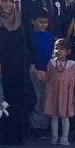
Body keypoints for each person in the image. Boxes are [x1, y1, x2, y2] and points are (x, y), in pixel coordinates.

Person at [0, 0, 35, 145]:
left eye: (10, 1)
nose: (7, 4)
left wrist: (30, 64)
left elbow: (26, 43)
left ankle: (17, 135)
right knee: (0, 99)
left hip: (19, 67)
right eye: (4, 1)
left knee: (17, 99)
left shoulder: (19, 19)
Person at [38, 38, 75, 146]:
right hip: (53, 93)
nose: (58, 51)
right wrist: (40, 75)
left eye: (61, 49)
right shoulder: (51, 63)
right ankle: (54, 137)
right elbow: (48, 76)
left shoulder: (72, 65)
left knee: (64, 117)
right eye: (56, 48)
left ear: (68, 51)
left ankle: (64, 137)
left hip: (65, 95)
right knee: (54, 116)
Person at [28, 7, 55, 139]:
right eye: (41, 22)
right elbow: (28, 53)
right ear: (33, 21)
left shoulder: (50, 36)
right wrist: (32, 67)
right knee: (36, 99)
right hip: (34, 72)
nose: (44, 25)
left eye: (46, 22)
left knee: (46, 98)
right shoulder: (29, 35)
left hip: (48, 72)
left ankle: (44, 125)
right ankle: (35, 126)